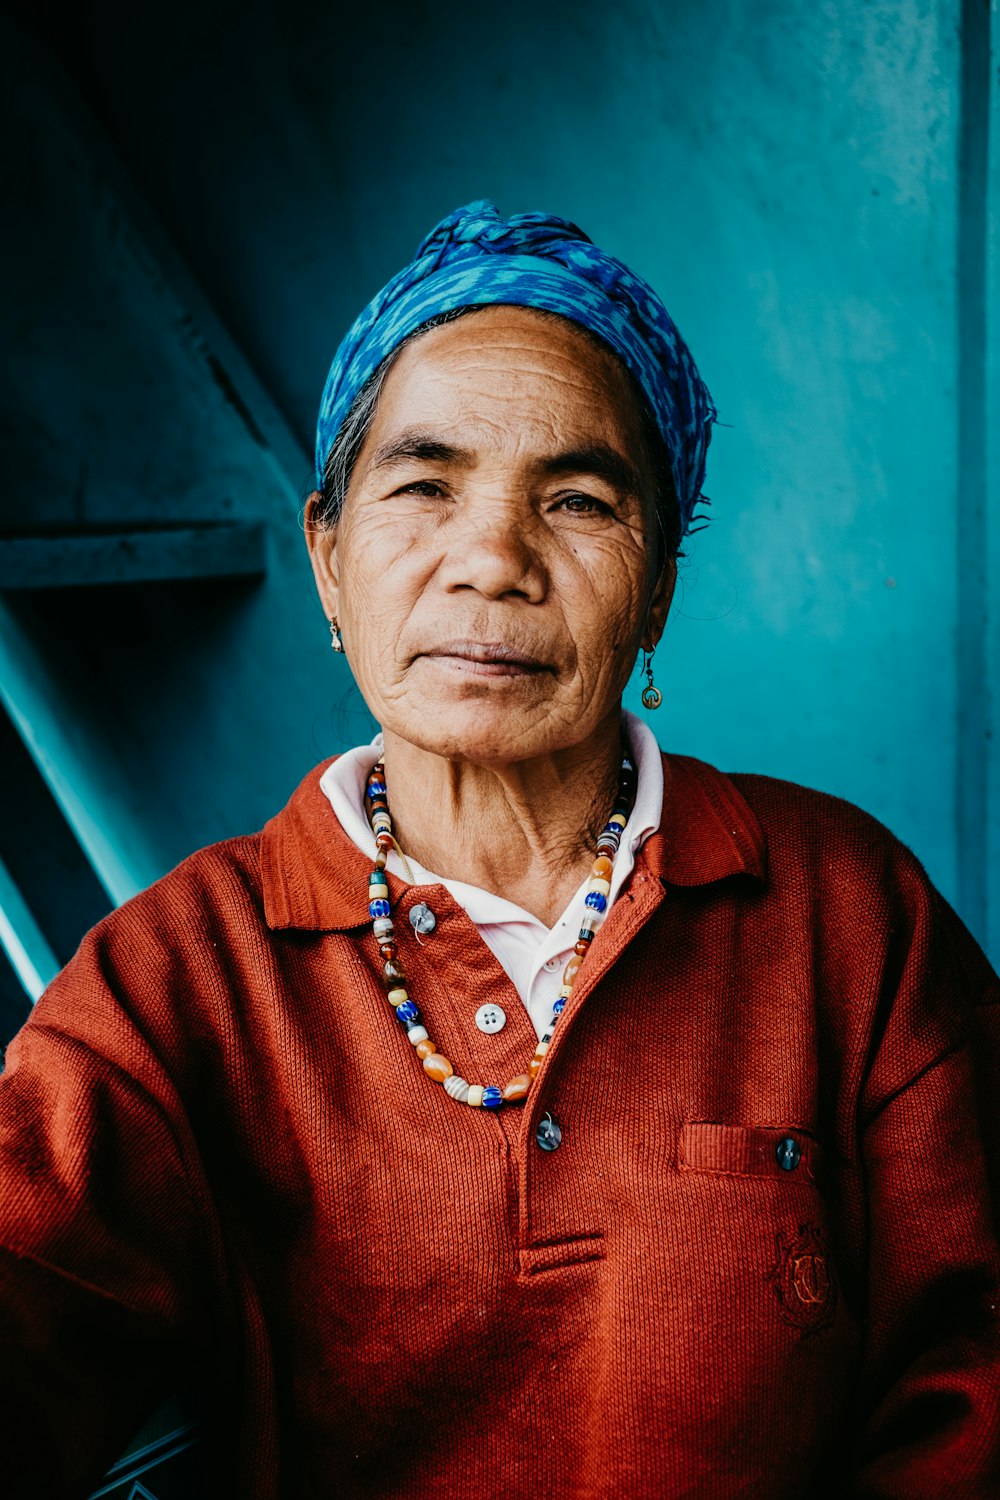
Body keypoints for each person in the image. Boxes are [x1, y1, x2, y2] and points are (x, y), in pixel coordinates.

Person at [1, 199, 998, 1499]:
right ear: (329, 560)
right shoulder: (177, 980)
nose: (492, 559)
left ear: (655, 590)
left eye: (579, 500)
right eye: (423, 487)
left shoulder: (849, 912)